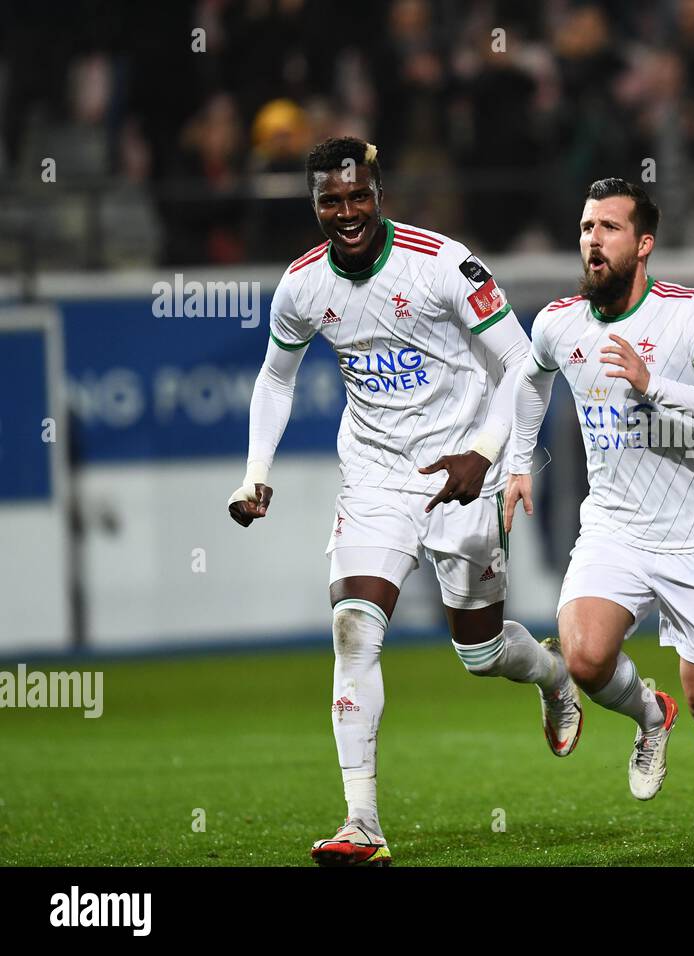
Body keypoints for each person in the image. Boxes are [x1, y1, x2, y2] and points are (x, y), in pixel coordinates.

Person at [227, 137, 582, 867]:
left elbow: (524, 363)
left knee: (480, 653)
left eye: (358, 196)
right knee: (354, 627)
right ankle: (362, 823)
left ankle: (554, 675)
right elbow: (275, 379)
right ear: (315, 203)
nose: (347, 212)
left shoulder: (444, 263)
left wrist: (483, 454)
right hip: (374, 478)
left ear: (379, 193)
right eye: (331, 200)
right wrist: (256, 470)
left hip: (464, 471)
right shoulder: (301, 286)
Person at [505, 178, 694, 860]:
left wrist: (655, 385)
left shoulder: (690, 314)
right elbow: (531, 379)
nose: (593, 239)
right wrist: (519, 461)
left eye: (609, 228)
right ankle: (651, 714)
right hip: (614, 527)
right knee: (584, 657)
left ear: (642, 244)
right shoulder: (560, 322)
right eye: (587, 226)